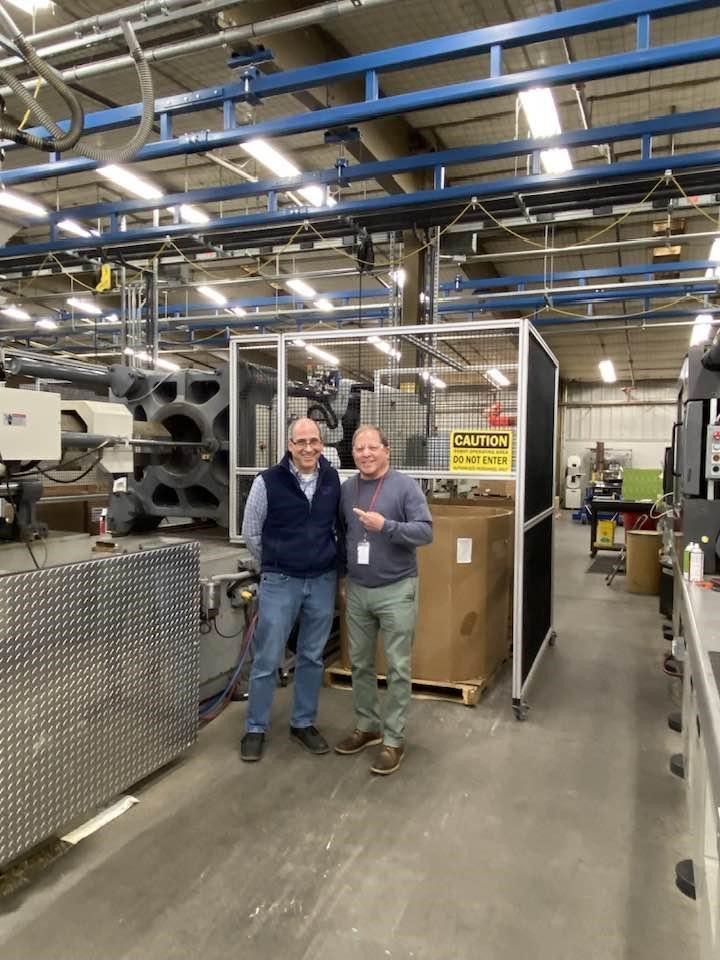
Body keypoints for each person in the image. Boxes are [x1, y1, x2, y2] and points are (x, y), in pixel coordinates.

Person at [240, 416, 340, 762]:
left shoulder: (332, 479)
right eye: (301, 442)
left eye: (314, 441)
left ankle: (303, 723)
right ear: (289, 445)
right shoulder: (267, 482)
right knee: (268, 657)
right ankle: (255, 727)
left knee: (312, 656)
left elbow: (336, 526)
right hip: (280, 581)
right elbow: (251, 533)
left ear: (321, 444)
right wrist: (277, 562)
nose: (308, 448)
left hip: (322, 580)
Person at [336, 425, 432, 775]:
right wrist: (344, 577)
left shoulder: (405, 487)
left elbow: (425, 532)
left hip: (396, 590)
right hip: (358, 590)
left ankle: (393, 739)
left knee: (397, 667)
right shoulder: (347, 489)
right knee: (360, 664)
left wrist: (387, 526)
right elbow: (343, 533)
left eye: (371, 447)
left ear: (386, 450)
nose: (365, 454)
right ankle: (368, 726)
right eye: (359, 448)